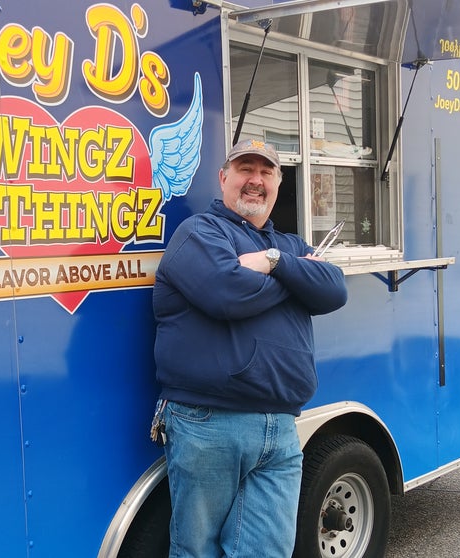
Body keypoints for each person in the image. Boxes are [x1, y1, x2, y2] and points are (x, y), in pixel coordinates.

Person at [152, 138, 348, 557]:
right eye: (245, 169)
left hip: (281, 429)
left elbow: (333, 290)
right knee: (196, 550)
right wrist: (299, 280)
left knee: (267, 552)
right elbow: (227, 293)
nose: (255, 180)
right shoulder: (199, 233)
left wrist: (275, 262)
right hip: (209, 423)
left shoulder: (289, 245)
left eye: (266, 172)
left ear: (278, 183)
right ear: (223, 177)